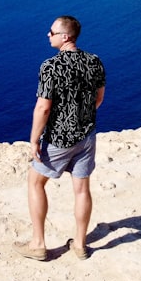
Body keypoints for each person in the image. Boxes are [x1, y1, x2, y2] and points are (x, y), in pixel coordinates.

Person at [18, 15, 106, 261]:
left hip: (59, 138)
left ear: (65, 36)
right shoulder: (94, 61)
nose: (48, 35)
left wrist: (34, 138)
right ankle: (80, 244)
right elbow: (99, 98)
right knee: (81, 189)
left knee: (35, 182)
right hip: (87, 136)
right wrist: (82, 119)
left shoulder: (51, 66)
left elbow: (43, 108)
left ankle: (38, 244)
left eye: (52, 32)